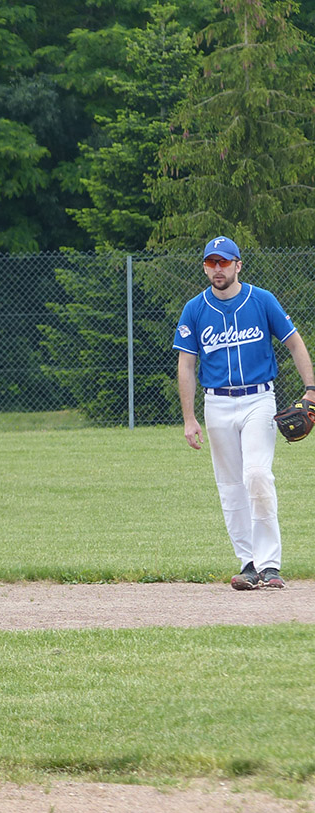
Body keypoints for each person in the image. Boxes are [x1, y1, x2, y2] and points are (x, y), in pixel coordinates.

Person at [174, 235, 315, 590]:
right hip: (217, 403)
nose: (217, 269)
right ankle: (248, 564)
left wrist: (311, 389)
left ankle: (270, 565)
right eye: (211, 263)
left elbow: (295, 343)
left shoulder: (261, 300)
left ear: (238, 265)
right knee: (231, 486)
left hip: (258, 400)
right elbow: (186, 365)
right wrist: (189, 418)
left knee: (257, 475)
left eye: (224, 262)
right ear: (205, 268)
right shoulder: (195, 308)